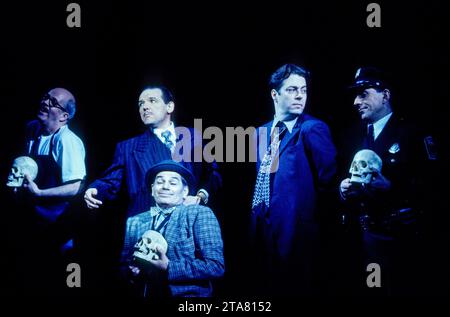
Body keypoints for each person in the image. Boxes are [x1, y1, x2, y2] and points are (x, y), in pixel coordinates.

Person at [338, 66, 436, 295]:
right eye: (355, 95)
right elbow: (338, 176)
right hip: (359, 239)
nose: (355, 101)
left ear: (386, 95)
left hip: (400, 240)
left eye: (363, 93)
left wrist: (393, 188)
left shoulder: (412, 133)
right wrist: (341, 189)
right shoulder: (351, 136)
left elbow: (435, 184)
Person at [250, 64, 337, 295]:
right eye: (291, 90)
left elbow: (328, 181)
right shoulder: (260, 133)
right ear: (274, 94)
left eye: (304, 90)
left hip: (298, 235)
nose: (300, 95)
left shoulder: (312, 128)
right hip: (264, 230)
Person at [83, 85, 221, 218]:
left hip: (188, 221)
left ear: (170, 106)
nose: (145, 107)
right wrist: (95, 189)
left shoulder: (193, 137)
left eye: (152, 101)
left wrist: (199, 196)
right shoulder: (128, 147)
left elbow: (213, 174)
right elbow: (111, 180)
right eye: (141, 103)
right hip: (148, 225)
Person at [120, 160, 224, 297]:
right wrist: (131, 272)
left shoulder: (198, 214)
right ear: (152, 189)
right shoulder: (134, 222)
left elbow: (215, 266)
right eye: (160, 182)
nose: (165, 187)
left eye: (173, 183)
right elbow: (123, 265)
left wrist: (169, 267)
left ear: (185, 191)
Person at [20, 87, 86, 294]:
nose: (45, 103)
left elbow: (76, 186)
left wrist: (39, 194)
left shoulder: (68, 141)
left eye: (53, 102)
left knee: (65, 283)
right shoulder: (32, 129)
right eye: (45, 97)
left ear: (64, 116)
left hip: (60, 226)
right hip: (34, 223)